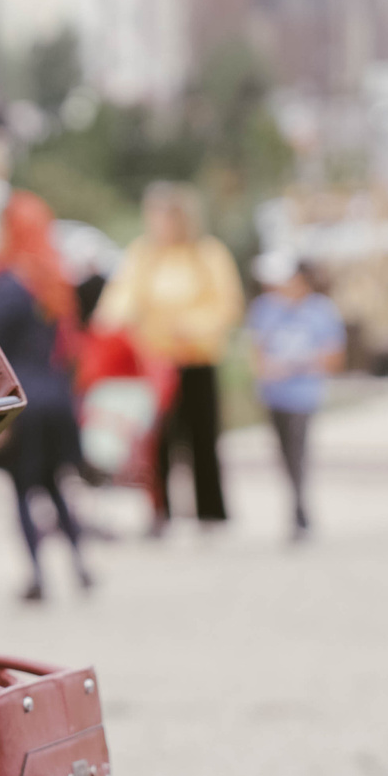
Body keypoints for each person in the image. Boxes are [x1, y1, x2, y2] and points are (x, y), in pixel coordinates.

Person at [0, 191, 90, 601]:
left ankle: (37, 575)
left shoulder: (8, 284)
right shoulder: (53, 280)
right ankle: (81, 566)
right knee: (53, 485)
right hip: (55, 394)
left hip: (21, 400)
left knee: (21, 488)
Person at [94, 182, 242, 531]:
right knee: (157, 440)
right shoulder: (144, 255)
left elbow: (225, 303)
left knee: (202, 438)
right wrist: (111, 325)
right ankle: (161, 512)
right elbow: (121, 297)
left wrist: (191, 326)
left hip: (197, 358)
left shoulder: (207, 254)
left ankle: (210, 510)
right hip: (156, 362)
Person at [246, 255, 346, 541]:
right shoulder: (265, 309)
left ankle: (299, 511)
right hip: (274, 394)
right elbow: (257, 352)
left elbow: (333, 357)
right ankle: (297, 506)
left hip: (303, 394)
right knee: (283, 454)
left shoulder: (321, 311)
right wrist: (267, 370)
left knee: (298, 452)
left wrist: (293, 366)